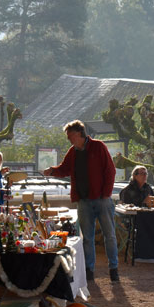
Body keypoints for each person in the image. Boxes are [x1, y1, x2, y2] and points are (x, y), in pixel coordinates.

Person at [44, 120, 119, 282]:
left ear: (78, 133)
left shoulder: (98, 146)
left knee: (110, 235)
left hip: (102, 199)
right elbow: (65, 169)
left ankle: (114, 268)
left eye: (70, 135)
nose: (68, 139)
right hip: (84, 201)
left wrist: (106, 193)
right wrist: (52, 171)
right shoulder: (73, 152)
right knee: (87, 238)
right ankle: (89, 271)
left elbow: (110, 170)